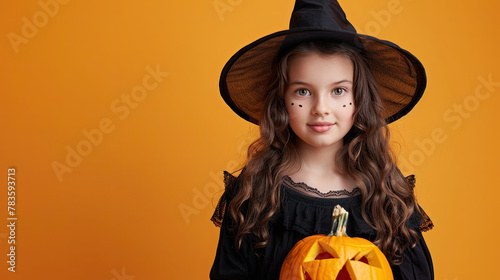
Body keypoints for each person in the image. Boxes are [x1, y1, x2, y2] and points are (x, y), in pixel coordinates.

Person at [210, 0, 434, 279]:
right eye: (303, 92)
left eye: (338, 91)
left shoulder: (387, 195)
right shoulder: (254, 193)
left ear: (358, 99)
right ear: (282, 100)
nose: (321, 108)